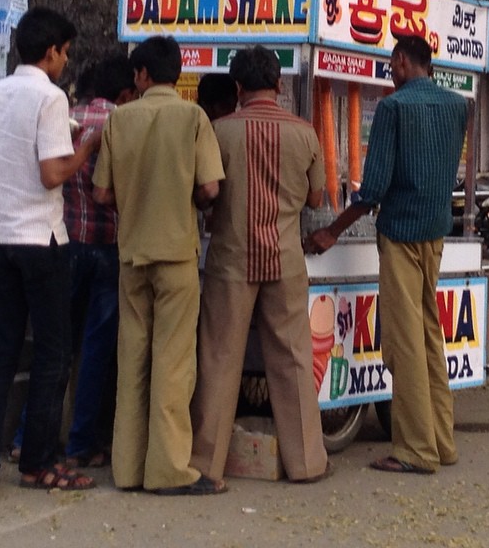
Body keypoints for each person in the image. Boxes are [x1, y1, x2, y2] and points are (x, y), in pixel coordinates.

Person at [305, 35, 467, 474]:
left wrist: (332, 231)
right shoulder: (457, 106)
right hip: (435, 232)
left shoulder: (394, 108)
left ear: (400, 61)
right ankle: (441, 440)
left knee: (403, 342)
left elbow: (372, 189)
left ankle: (415, 449)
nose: (390, 72)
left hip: (400, 234)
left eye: (391, 65)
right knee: (429, 334)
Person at [0, 6, 99, 498]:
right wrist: (85, 149)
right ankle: (38, 463)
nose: (66, 61)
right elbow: (51, 174)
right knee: (52, 352)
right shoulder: (50, 97)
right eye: (65, 53)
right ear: (51, 52)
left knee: (0, 352)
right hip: (40, 239)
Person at [92, 35, 226, 495]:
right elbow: (210, 189)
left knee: (132, 360)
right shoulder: (193, 118)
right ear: (176, 73)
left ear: (142, 75)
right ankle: (168, 469)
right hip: (176, 255)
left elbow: (102, 193)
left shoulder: (119, 119)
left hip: (131, 256)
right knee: (172, 362)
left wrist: (133, 203)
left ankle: (127, 468)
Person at [190, 45, 330, 484]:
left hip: (230, 260)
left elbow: (205, 191)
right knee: (293, 359)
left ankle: (206, 465)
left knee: (218, 359)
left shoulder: (218, 131)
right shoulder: (305, 133)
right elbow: (316, 199)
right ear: (278, 83)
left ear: (237, 87)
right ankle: (306, 463)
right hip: (286, 259)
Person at [63, 53, 137, 467]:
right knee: (96, 349)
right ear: (126, 93)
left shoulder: (68, 118)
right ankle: (81, 443)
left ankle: (25, 437)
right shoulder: (123, 124)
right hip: (109, 246)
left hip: (67, 243)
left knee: (57, 346)